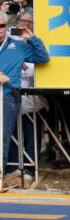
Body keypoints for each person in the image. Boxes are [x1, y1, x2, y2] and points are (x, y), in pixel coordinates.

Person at [0, 12, 50, 179]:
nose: (0, 30)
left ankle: (2, 175)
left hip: (7, 97)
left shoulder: (18, 45)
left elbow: (43, 58)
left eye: (2, 26)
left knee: (4, 138)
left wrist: (32, 38)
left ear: (6, 27)